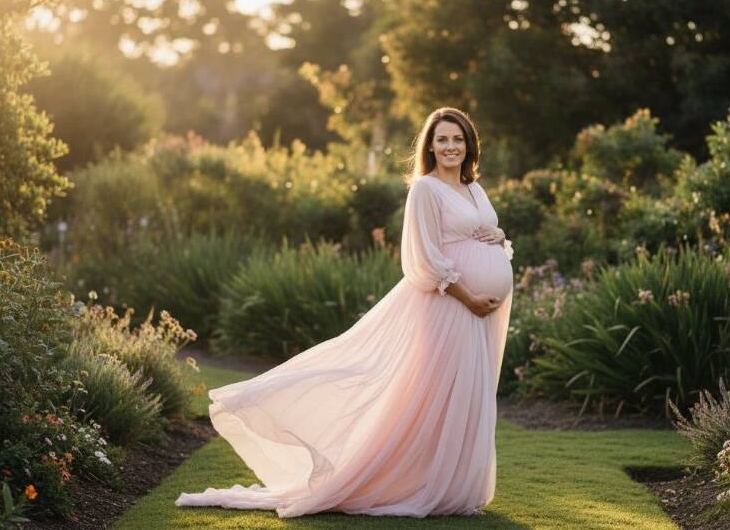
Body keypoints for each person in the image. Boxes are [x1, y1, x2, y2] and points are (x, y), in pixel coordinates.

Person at [175, 106, 514, 518]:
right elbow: (422, 259)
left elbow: (485, 234)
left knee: (467, 397)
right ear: (429, 145)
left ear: (469, 144)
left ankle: (452, 487)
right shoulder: (425, 189)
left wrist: (496, 238)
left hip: (480, 313)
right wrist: (470, 297)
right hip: (449, 307)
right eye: (442, 139)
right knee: (433, 397)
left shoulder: (474, 189)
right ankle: (413, 484)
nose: (450, 146)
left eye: (457, 139)